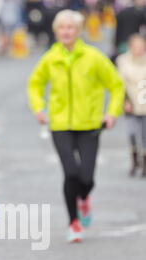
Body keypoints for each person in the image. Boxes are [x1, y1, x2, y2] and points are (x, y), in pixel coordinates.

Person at [27, 9, 125, 243]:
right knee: (70, 172)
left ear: (78, 31)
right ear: (57, 32)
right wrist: (39, 108)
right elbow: (35, 85)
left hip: (90, 123)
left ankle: (84, 197)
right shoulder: (51, 58)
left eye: (70, 28)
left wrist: (111, 113)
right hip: (60, 123)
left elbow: (116, 85)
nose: (66, 32)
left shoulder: (93, 57)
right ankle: (74, 223)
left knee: (88, 178)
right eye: (62, 28)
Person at [117, 34, 146, 177]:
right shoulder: (123, 61)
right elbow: (119, 83)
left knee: (145, 135)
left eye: (142, 46)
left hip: (144, 101)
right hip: (130, 102)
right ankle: (135, 162)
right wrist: (125, 100)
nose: (139, 49)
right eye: (136, 46)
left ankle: (145, 165)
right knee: (132, 133)